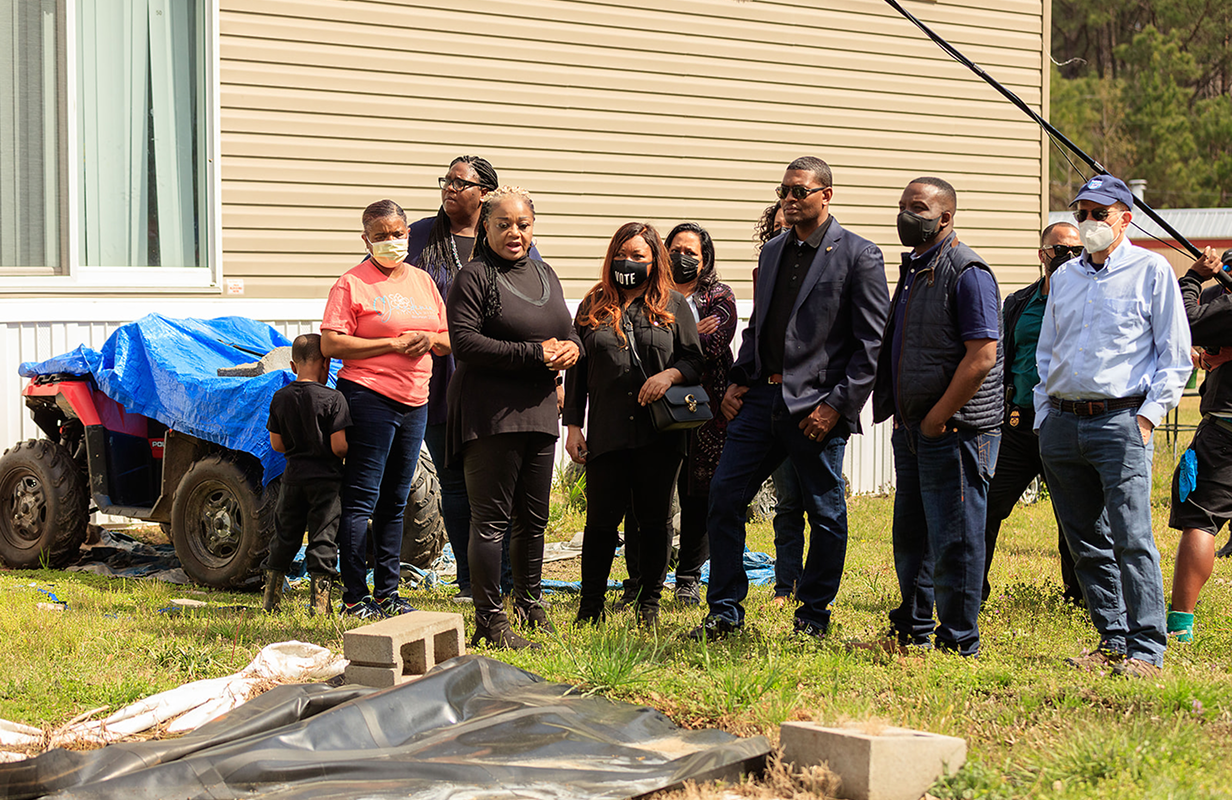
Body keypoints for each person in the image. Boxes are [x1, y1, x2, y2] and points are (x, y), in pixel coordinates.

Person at [691, 156, 890, 641]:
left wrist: (837, 405)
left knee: (825, 513)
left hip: (816, 406)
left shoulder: (860, 255)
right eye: (785, 191)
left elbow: (871, 345)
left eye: (799, 191)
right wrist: (741, 379)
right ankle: (724, 610)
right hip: (763, 399)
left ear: (827, 195)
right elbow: (762, 324)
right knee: (724, 496)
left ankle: (813, 615)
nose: (790, 199)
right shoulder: (776, 250)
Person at [1035, 174, 1191, 678]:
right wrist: (1043, 413)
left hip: (1121, 421)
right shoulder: (1064, 277)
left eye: (1100, 214)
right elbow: (1047, 353)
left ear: (1126, 217)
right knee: (1084, 540)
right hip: (1061, 422)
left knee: (1131, 536)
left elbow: (1175, 356)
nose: (1089, 222)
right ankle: (1112, 637)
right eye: (1082, 212)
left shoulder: (1152, 271)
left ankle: (1146, 648)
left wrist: (1147, 418)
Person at [871, 176, 1002, 658]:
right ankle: (913, 625)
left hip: (955, 430)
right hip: (913, 429)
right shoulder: (916, 268)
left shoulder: (967, 272)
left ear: (945, 217)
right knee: (911, 535)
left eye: (918, 207)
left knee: (957, 538)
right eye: (903, 205)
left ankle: (959, 639)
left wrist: (938, 416)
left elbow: (982, 355)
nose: (906, 215)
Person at [446, 186, 578, 649]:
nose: (514, 233)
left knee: (534, 520)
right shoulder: (474, 276)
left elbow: (569, 331)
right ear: (486, 226)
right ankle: (490, 619)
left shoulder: (546, 274)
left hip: (540, 411)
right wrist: (534, 354)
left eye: (522, 224)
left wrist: (572, 349)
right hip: (491, 413)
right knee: (491, 521)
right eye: (503, 224)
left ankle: (529, 604)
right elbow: (464, 343)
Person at [408, 156, 538, 605]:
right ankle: (471, 582)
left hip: (500, 380)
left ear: (484, 192)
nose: (449, 188)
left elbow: (535, 299)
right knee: (455, 484)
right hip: (439, 378)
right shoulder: (422, 237)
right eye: (445, 180)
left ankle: (506, 580)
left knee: (504, 488)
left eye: (460, 183)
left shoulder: (506, 238)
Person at [565, 222, 705, 627]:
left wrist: (669, 377)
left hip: (658, 436)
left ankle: (649, 603)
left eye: (639, 255)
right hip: (607, 433)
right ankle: (591, 607)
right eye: (622, 254)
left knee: (654, 521)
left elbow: (694, 361)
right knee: (601, 522)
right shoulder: (593, 303)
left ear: (654, 259)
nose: (629, 262)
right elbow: (578, 371)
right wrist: (573, 426)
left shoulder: (674, 305)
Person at [321, 200, 449, 619]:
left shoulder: (423, 281)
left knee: (395, 500)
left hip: (416, 399)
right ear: (366, 239)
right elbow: (332, 344)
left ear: (408, 233)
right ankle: (355, 597)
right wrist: (390, 344)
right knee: (361, 499)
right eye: (381, 235)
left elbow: (448, 338)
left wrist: (427, 341)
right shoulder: (351, 284)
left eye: (398, 233)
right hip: (369, 396)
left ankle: (387, 594)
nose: (391, 241)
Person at [617, 223, 737, 608]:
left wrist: (676, 335)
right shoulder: (650, 293)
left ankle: (688, 576)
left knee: (696, 493)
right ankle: (637, 579)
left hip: (702, 409)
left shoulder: (717, 295)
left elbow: (715, 341)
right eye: (676, 249)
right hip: (651, 407)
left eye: (692, 252)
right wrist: (685, 332)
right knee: (645, 497)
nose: (682, 257)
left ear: (705, 260)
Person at [982, 222, 1083, 605]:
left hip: (1064, 423)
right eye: (1061, 250)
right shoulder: (1020, 303)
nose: (1071, 257)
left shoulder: (1088, 301)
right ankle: (971, 592)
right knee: (985, 507)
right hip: (1017, 424)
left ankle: (1079, 596)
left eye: (1077, 250)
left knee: (1073, 517)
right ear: (1043, 255)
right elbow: (1000, 360)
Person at [1164, 247, 1231, 642]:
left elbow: (1183, 320)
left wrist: (1194, 276)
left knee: (1200, 522)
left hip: (1225, 432)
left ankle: (1180, 626)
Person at [261, 333, 351, 616]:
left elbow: (277, 444)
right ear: (326, 363)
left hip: (292, 479)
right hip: (326, 482)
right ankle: (320, 605)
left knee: (285, 535)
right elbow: (339, 447)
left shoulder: (280, 397)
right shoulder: (334, 398)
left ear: (292, 365)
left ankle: (270, 601)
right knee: (323, 536)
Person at [754, 200, 806, 608]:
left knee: (816, 503)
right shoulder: (765, 271)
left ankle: (814, 589)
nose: (781, 233)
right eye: (774, 229)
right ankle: (786, 583)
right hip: (768, 397)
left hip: (812, 402)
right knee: (786, 502)